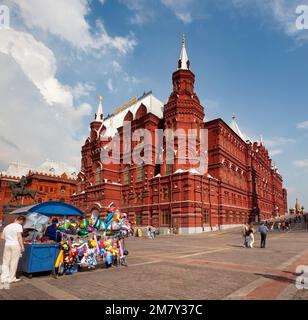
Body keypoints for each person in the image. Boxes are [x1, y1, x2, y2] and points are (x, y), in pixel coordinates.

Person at [0, 216, 26, 284]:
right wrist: (22, 246)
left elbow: (2, 237)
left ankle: (3, 278)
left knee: (5, 262)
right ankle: (11, 278)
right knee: (14, 262)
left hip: (7, 245)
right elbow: (19, 237)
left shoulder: (7, 226)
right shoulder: (18, 226)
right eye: (23, 222)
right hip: (15, 245)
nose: (22, 224)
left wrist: (9, 239)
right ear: (21, 220)